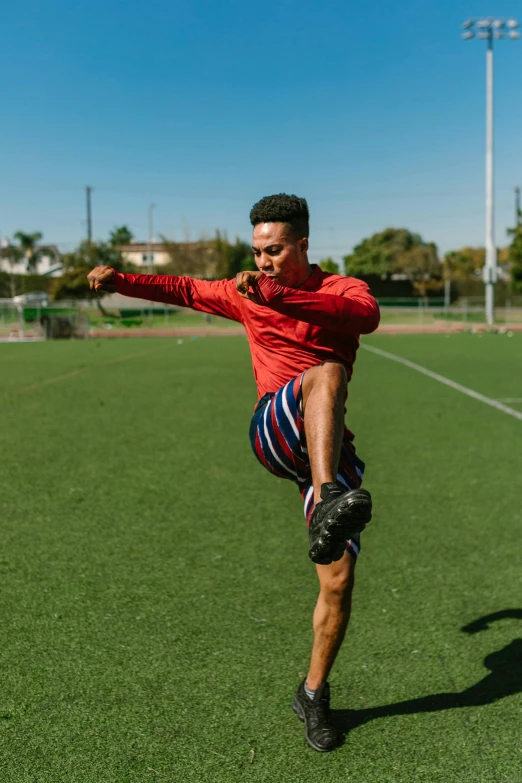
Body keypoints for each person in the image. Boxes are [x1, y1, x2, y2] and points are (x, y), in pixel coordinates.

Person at [87, 193, 380, 752]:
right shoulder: (247, 291)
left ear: (303, 244)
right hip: (272, 430)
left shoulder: (342, 289)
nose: (263, 261)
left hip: (324, 447)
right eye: (257, 252)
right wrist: (120, 279)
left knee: (338, 581)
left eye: (274, 251)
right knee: (327, 373)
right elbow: (181, 288)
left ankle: (313, 695)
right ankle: (327, 496)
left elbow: (365, 316)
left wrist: (282, 297)